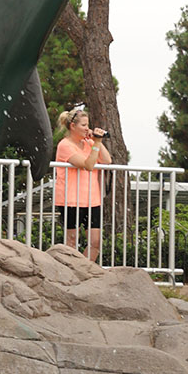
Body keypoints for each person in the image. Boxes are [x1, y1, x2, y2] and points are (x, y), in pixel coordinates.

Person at [54, 108, 111, 261]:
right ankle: (69, 273)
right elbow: (88, 165)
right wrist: (96, 143)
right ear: (73, 126)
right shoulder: (65, 145)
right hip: (71, 199)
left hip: (92, 200)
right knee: (71, 241)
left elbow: (107, 160)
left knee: (95, 242)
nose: (87, 128)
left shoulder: (90, 143)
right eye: (84, 125)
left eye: (88, 125)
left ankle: (83, 273)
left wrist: (97, 140)